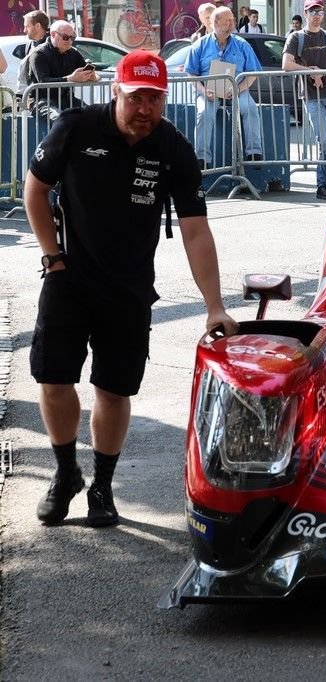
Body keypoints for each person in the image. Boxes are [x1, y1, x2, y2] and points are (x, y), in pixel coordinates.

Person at [25, 51, 237, 528]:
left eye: (155, 99)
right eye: (136, 97)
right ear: (115, 92)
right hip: (69, 277)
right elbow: (35, 190)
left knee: (113, 389)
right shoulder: (76, 128)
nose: (145, 108)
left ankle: (102, 485)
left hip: (129, 286)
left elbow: (196, 229)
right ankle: (65, 474)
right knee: (54, 379)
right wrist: (52, 255)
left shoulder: (173, 147)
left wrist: (215, 307)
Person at [185, 6, 264, 169]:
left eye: (232, 20)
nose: (232, 23)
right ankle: (201, 158)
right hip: (208, 92)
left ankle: (254, 153)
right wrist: (203, 91)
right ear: (216, 22)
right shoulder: (199, 45)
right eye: (228, 21)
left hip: (237, 91)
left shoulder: (242, 44)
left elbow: (253, 73)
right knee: (204, 113)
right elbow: (191, 75)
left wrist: (238, 89)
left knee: (250, 108)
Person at [284, 0, 326, 200]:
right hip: (311, 97)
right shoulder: (296, 37)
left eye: (320, 11)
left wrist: (322, 73)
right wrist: (311, 71)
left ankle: (325, 184)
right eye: (313, 11)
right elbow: (286, 64)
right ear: (305, 13)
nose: (317, 15)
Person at [27, 20, 99, 120]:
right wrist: (70, 78)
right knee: (59, 119)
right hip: (42, 100)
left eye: (72, 38)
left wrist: (92, 76)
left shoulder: (73, 52)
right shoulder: (39, 53)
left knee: (94, 116)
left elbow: (92, 73)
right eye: (65, 38)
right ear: (53, 34)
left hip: (67, 99)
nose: (70, 41)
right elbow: (43, 81)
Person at [15, 10, 50, 94]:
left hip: (47, 99)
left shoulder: (52, 45)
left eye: (27, 26)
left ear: (38, 26)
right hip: (30, 96)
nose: (24, 30)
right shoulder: (29, 44)